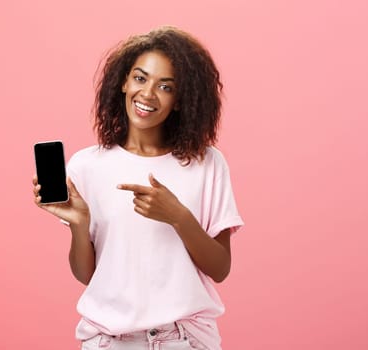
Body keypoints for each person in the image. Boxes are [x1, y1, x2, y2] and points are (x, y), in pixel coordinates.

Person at [32, 26, 244, 350]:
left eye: (166, 86)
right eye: (141, 78)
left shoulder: (206, 164)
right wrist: (79, 224)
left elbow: (220, 269)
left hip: (183, 340)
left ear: (178, 101)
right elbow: (88, 276)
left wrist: (178, 217)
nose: (147, 94)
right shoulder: (87, 166)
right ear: (124, 82)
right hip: (109, 341)